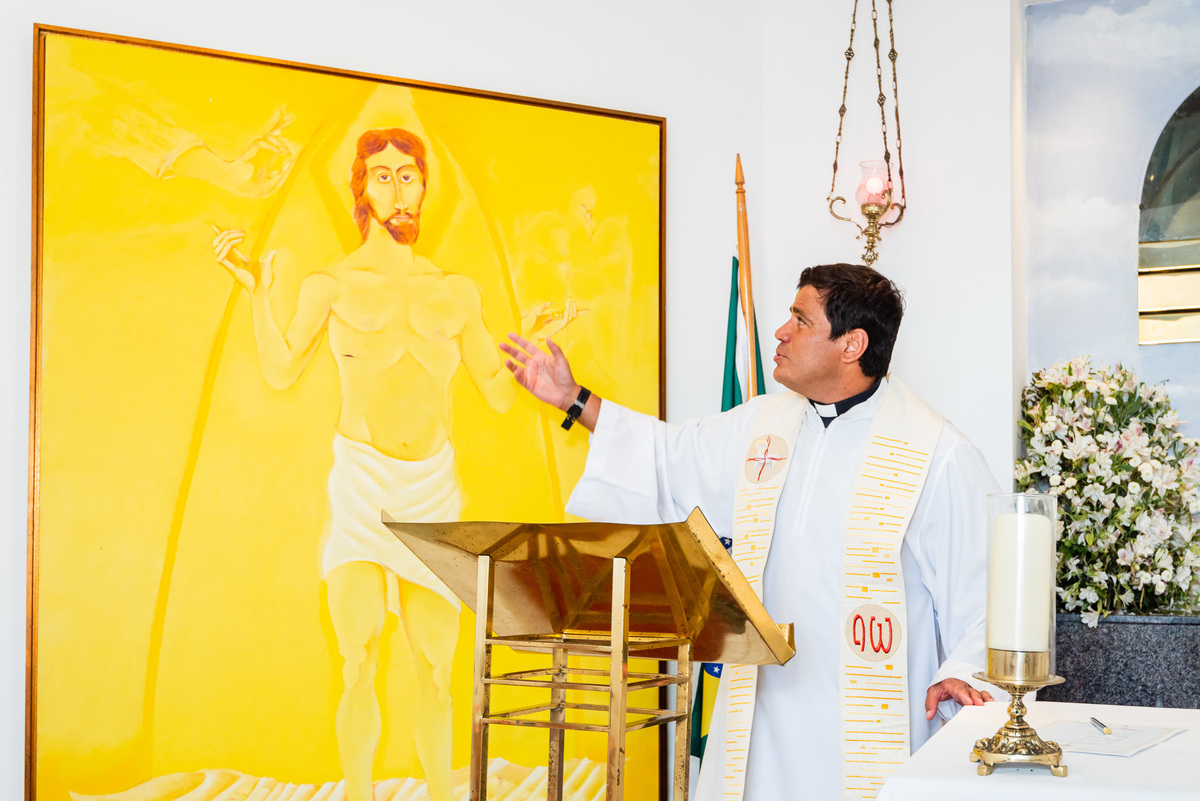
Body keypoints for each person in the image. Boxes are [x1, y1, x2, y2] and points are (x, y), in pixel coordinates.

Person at [501, 263, 998, 800]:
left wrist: (968, 672)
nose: (781, 332)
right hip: (759, 719)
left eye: (800, 320)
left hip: (869, 733)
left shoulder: (936, 455)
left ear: (851, 344)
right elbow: (669, 460)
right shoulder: (761, 425)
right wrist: (573, 399)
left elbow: (987, 593)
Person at [213, 128, 529, 801]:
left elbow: (498, 395)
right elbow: (278, 369)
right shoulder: (331, 283)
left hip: (433, 492)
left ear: (423, 186)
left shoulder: (458, 292)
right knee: (357, 658)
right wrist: (256, 296)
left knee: (437, 669)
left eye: (408, 174)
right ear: (361, 190)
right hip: (360, 487)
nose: (398, 187)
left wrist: (537, 349)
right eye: (382, 176)